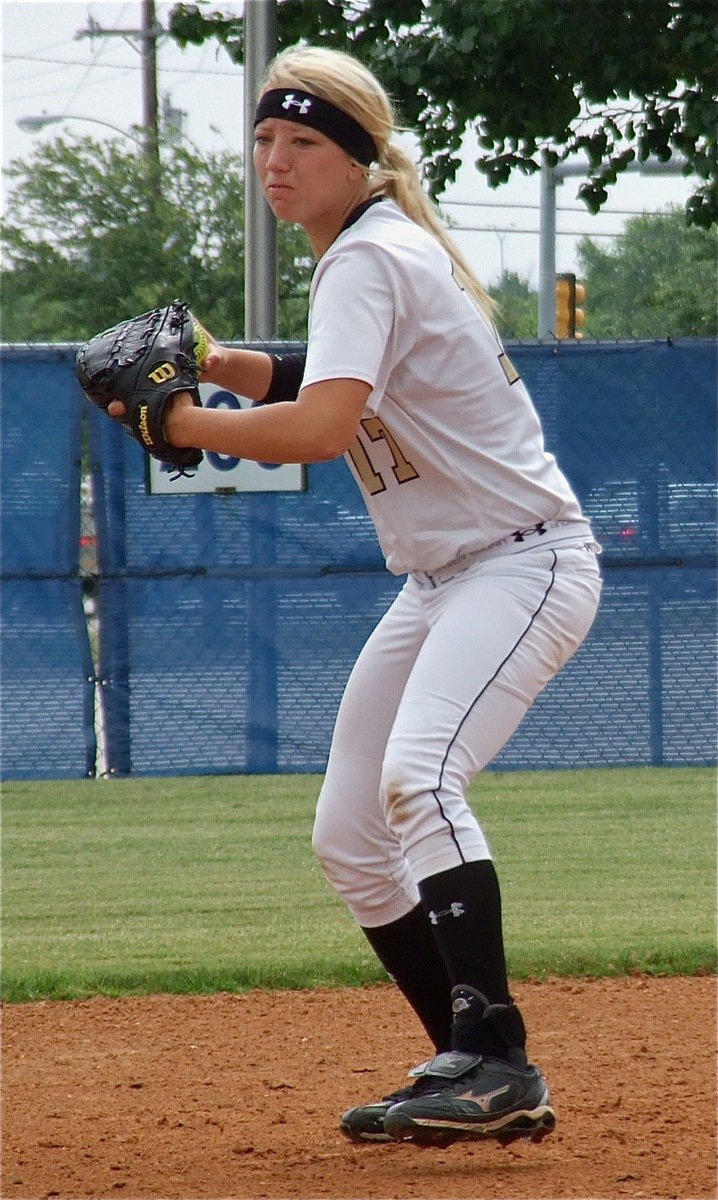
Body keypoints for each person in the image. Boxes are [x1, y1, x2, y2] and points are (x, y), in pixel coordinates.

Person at [109, 44, 602, 1148]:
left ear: (359, 162)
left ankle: (491, 1055)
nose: (274, 162)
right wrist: (223, 365)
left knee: (417, 779)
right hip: (450, 576)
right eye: (266, 140)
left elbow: (326, 427)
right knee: (349, 831)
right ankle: (472, 1061)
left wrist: (178, 423)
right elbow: (324, 382)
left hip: (520, 560)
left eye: (303, 144)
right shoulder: (371, 252)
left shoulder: (368, 257)